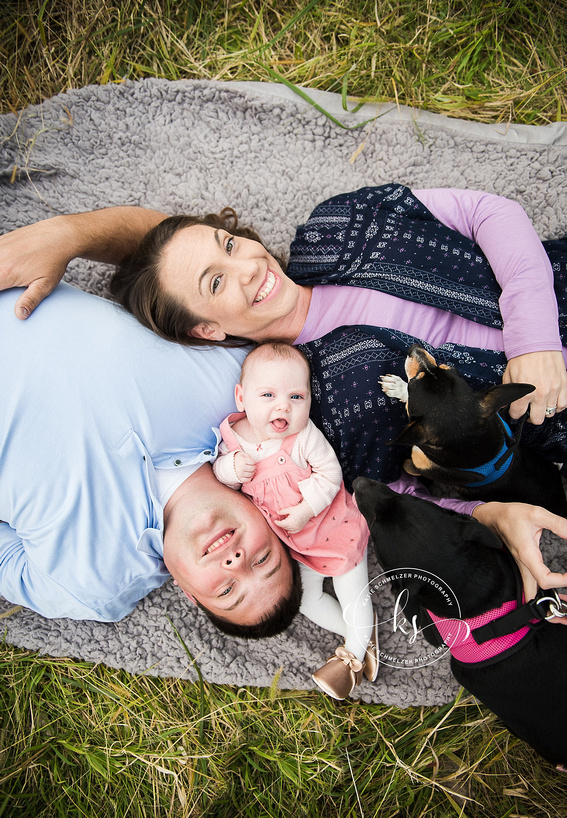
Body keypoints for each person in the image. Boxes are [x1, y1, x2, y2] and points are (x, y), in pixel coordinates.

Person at [2, 185, 567, 613]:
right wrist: (489, 512)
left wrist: (536, 339)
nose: (250, 265)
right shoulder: (316, 409)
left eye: (230, 245)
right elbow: (400, 488)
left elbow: (488, 212)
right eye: (216, 283)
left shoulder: (336, 226)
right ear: (206, 331)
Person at [0, 281, 301, 633]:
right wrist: (63, 240)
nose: (236, 561)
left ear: (189, 595)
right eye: (263, 558)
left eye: (226, 589)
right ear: (272, 523)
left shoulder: (93, 586)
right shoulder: (245, 388)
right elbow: (189, 267)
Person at [213, 341, 377, 699]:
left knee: (353, 596)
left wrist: (306, 509)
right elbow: (222, 477)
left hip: (336, 529)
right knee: (306, 600)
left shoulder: (303, 437)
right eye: (268, 394)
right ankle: (362, 636)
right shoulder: (234, 439)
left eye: (296, 397)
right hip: (296, 545)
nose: (282, 406)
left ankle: (350, 660)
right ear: (241, 398)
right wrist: (228, 468)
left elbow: (330, 475)